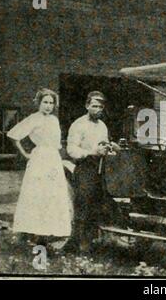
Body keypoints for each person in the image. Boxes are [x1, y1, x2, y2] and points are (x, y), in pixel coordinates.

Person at [7, 88, 73, 244]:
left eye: (51, 103)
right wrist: (25, 154)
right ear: (39, 103)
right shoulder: (33, 118)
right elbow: (13, 135)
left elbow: (56, 144)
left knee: (53, 194)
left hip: (53, 160)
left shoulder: (54, 120)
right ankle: (32, 232)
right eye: (45, 102)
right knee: (37, 194)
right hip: (40, 159)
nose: (48, 106)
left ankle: (51, 231)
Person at [67, 91, 122, 252]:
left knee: (97, 206)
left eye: (100, 107)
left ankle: (91, 242)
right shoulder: (78, 125)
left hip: (101, 169)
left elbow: (103, 144)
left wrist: (111, 146)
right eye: (94, 106)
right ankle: (76, 244)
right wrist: (92, 152)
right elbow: (71, 149)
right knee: (83, 205)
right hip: (85, 168)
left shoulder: (102, 125)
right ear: (87, 106)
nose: (98, 109)